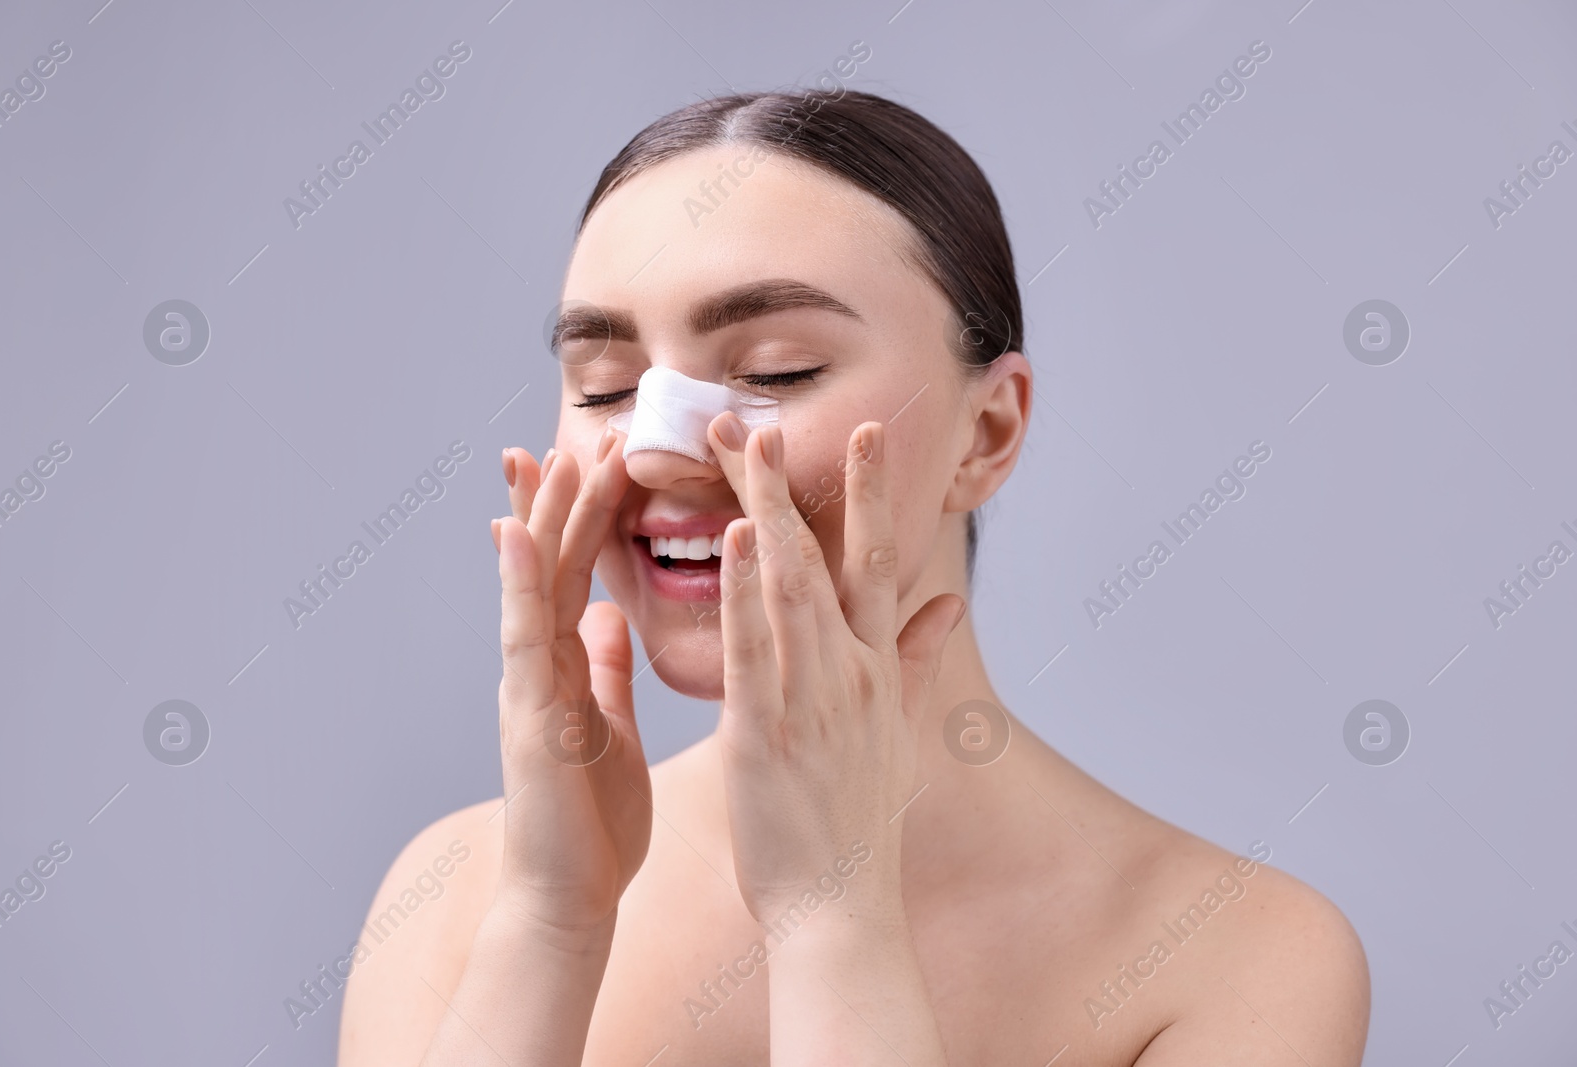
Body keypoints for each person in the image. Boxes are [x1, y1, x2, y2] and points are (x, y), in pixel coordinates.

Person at [337, 88, 1369, 1066]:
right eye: (605, 385)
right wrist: (549, 926)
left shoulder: (1236, 952)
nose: (653, 452)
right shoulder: (458, 894)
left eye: (775, 369)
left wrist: (833, 919)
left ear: (988, 429)